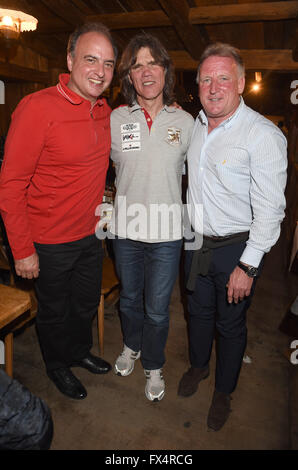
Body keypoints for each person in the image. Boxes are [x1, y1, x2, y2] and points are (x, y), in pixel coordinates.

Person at [0, 23, 117, 400]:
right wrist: (22, 249)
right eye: (91, 59)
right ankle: (57, 364)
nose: (100, 70)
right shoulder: (37, 108)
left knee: (84, 303)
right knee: (54, 310)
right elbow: (11, 185)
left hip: (90, 235)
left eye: (109, 63)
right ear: (70, 60)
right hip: (48, 241)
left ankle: (78, 352)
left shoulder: (104, 111)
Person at [177, 43, 288, 430]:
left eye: (224, 77)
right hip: (195, 242)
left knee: (230, 324)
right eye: (206, 78)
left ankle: (224, 390)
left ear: (240, 83)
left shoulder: (262, 135)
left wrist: (248, 264)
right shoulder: (195, 126)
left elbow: (272, 210)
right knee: (197, 313)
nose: (214, 86)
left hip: (235, 250)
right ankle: (198, 367)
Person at [109, 33, 194, 401]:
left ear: (165, 70)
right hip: (125, 230)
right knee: (129, 300)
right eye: (136, 65)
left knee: (157, 310)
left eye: (152, 63)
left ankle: (154, 363)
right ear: (129, 76)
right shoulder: (114, 119)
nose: (145, 72)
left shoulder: (187, 122)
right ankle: (132, 345)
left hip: (166, 234)